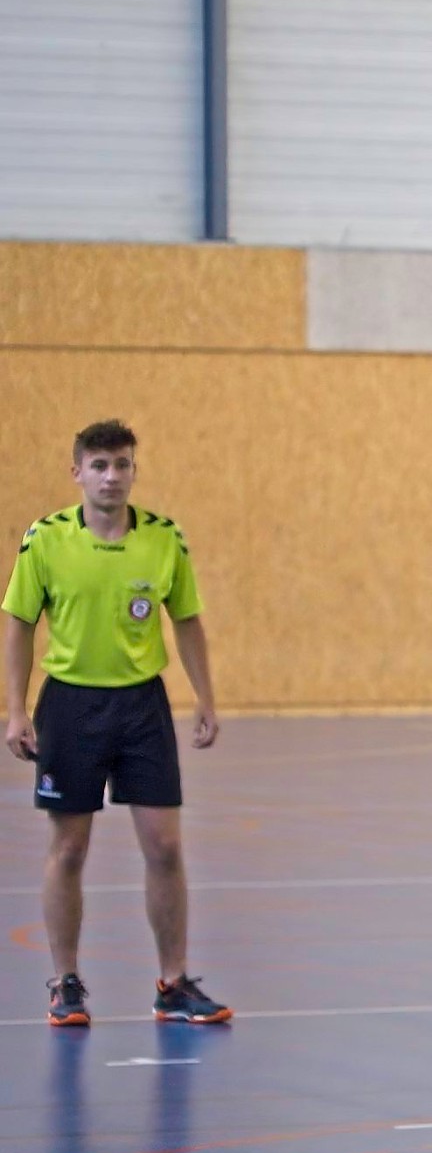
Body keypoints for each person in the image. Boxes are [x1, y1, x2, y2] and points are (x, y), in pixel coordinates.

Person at [4, 418, 226, 1028]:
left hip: (141, 708)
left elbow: (187, 620)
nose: (111, 477)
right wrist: (16, 709)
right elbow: (19, 623)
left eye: (122, 464)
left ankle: (173, 984)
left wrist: (205, 698)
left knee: (165, 846)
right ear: (77, 472)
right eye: (99, 466)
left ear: (134, 470)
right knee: (70, 848)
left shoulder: (163, 538)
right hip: (71, 706)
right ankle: (65, 982)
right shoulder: (46, 539)